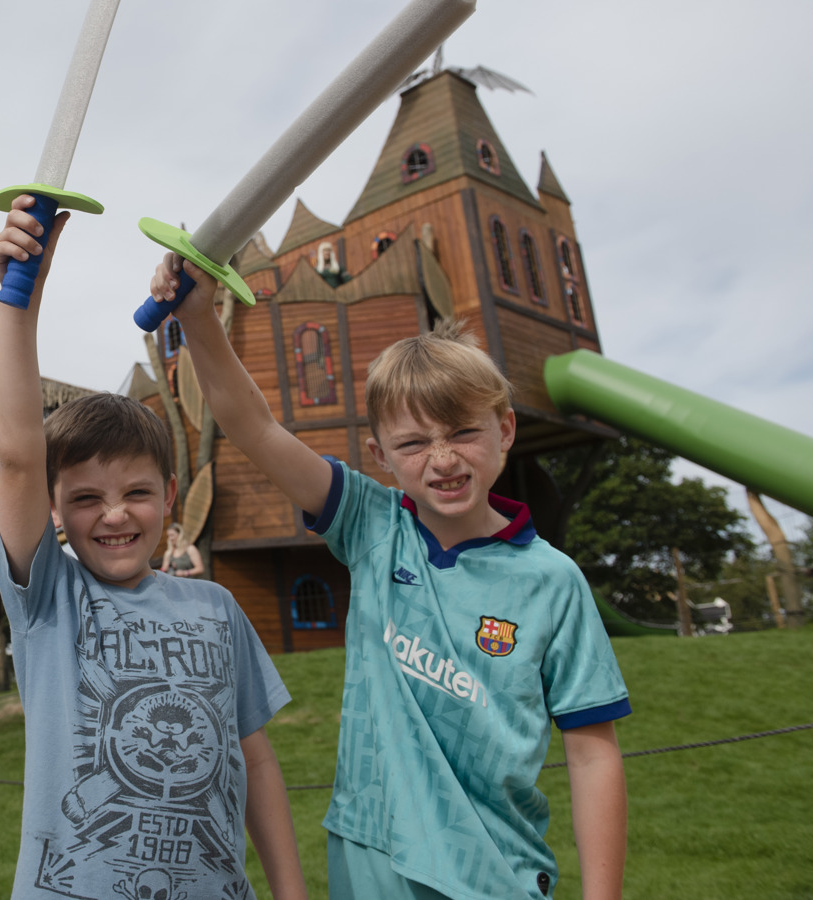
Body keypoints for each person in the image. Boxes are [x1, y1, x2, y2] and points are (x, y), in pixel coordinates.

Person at [150, 255, 630, 900]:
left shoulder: (554, 581)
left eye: (463, 432)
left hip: (494, 871)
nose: (443, 458)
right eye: (413, 443)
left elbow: (593, 753)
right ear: (379, 455)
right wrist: (199, 318)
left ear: (505, 428)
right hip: (369, 853)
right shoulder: (372, 525)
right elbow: (254, 428)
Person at [0, 197, 307, 899]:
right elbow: (18, 455)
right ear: (53, 510)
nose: (113, 515)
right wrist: (20, 302)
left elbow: (254, 759)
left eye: (135, 492)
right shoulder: (49, 601)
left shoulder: (217, 608)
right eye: (84, 499)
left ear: (169, 494)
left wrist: (292, 893)